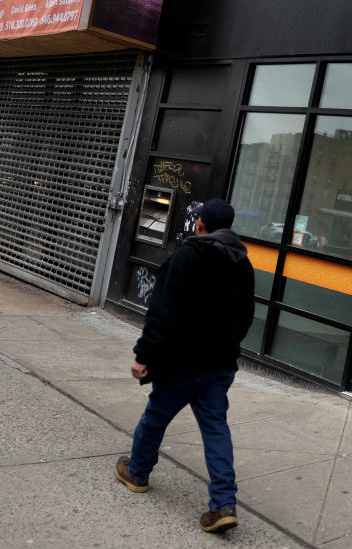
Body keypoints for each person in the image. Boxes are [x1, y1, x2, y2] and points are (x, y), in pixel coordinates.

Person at [113, 197, 255, 533]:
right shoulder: (242, 263)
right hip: (220, 364)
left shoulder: (186, 256)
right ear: (230, 228)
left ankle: (137, 473)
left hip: (181, 364)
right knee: (215, 429)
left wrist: (143, 355)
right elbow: (246, 317)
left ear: (200, 225)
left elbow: (162, 312)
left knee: (156, 417)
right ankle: (223, 505)